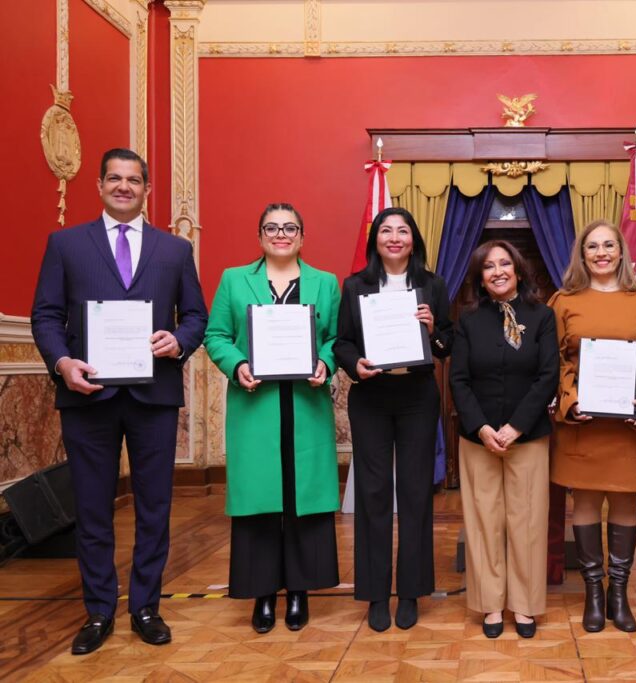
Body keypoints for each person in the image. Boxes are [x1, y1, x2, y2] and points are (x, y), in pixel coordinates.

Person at [30, 148, 208, 654]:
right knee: (92, 509)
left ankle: (146, 606)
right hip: (87, 395)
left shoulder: (174, 250)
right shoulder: (66, 244)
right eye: (115, 178)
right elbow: (45, 316)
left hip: (153, 395)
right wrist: (63, 363)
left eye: (134, 180)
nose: (124, 187)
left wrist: (179, 340)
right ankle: (99, 611)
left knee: (155, 507)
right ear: (100, 185)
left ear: (147, 189)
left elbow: (195, 315)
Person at [203, 203, 341, 634]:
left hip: (306, 404)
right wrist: (237, 363)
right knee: (260, 499)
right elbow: (216, 335)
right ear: (260, 234)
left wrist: (326, 362)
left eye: (290, 228)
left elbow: (336, 337)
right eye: (272, 227)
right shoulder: (234, 279)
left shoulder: (325, 283)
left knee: (303, 498)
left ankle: (299, 591)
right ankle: (262, 593)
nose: (281, 234)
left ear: (302, 235)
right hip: (256, 404)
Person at [334, 207, 452, 632]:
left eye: (403, 231)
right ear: (376, 240)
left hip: (417, 396)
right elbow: (342, 343)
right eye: (387, 230)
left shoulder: (432, 284)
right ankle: (376, 594)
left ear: (414, 239)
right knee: (374, 493)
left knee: (418, 493)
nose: (395, 237)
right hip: (371, 397)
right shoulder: (355, 286)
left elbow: (446, 344)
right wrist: (355, 365)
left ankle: (410, 592)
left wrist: (434, 326)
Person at [549, 219, 636, 633]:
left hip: (628, 424)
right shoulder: (563, 301)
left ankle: (619, 593)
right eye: (592, 246)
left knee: (625, 504)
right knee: (583, 504)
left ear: (621, 252)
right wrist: (570, 396)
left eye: (609, 245)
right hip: (582, 422)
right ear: (582, 255)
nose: (601, 253)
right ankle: (593, 594)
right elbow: (555, 360)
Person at [449, 240, 559, 639]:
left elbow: (548, 375)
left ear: (518, 269)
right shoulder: (467, 320)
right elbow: (458, 379)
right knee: (484, 523)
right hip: (478, 439)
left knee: (527, 522)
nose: (497, 271)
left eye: (504, 263)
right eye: (488, 266)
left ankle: (526, 606)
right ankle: (491, 604)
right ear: (480, 276)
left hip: (527, 438)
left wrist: (516, 426)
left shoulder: (543, 315)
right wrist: (481, 427)